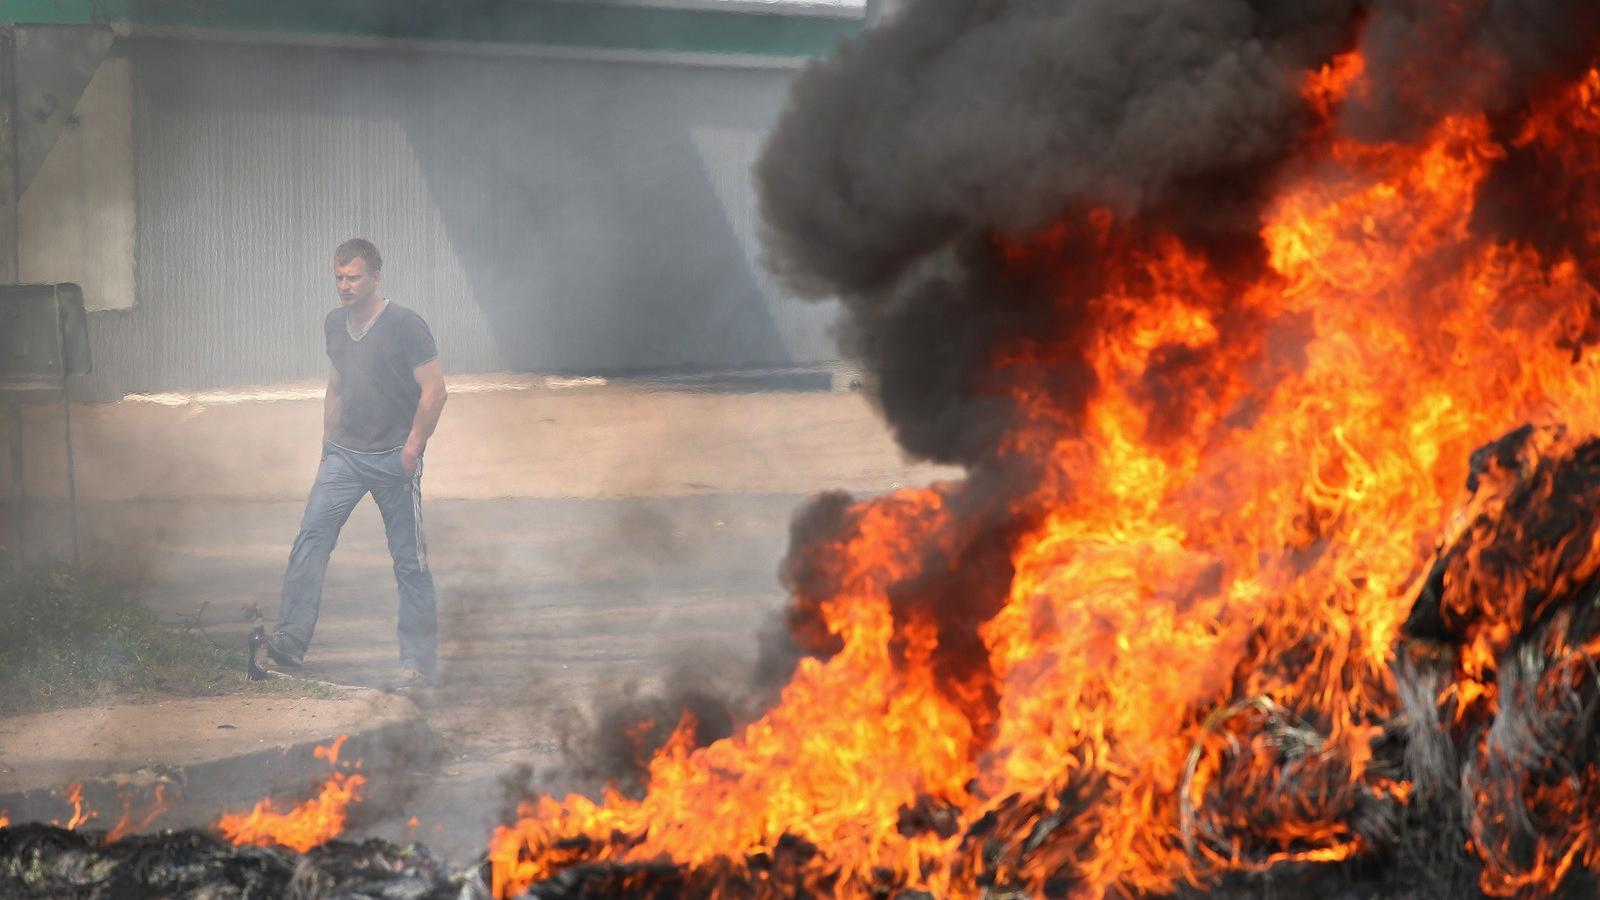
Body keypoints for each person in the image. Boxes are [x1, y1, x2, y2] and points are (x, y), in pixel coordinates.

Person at [266, 238, 447, 688]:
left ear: (376, 277)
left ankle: (417, 663)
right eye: (339, 278)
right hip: (344, 455)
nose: (344, 286)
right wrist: (328, 441)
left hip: (393, 458)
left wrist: (413, 447)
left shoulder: (405, 325)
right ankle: (290, 641)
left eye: (354, 277)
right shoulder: (334, 324)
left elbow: (435, 390)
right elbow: (337, 383)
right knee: (311, 538)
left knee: (409, 561)